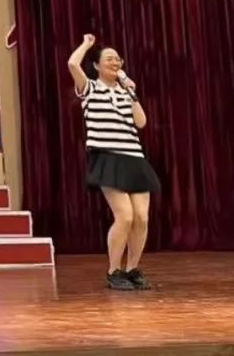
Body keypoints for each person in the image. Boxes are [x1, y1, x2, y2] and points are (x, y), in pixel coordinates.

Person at [67, 34, 160, 291]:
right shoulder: (90, 88)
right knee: (125, 216)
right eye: (109, 59)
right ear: (97, 65)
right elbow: (72, 64)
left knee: (141, 218)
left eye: (118, 59)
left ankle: (132, 270)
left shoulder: (125, 91)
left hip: (134, 157)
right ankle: (114, 271)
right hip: (108, 157)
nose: (115, 62)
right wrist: (86, 45)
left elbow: (141, 122)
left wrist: (132, 93)